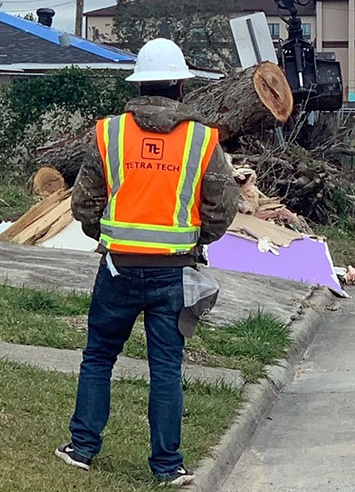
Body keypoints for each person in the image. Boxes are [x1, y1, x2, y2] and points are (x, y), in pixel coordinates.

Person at [55, 38, 239, 487]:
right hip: (174, 274)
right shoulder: (201, 140)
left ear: (138, 85)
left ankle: (82, 448)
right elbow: (223, 204)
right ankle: (166, 466)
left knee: (98, 357)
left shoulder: (110, 134)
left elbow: (84, 203)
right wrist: (196, 241)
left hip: (118, 268)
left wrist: (107, 234)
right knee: (166, 369)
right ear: (180, 86)